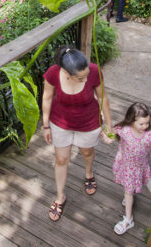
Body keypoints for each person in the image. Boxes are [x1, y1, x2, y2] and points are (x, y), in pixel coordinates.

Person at [42, 46, 113, 222]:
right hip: (60, 122)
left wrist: (109, 125)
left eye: (87, 74)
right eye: (81, 77)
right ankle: (60, 197)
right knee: (61, 159)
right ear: (67, 72)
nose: (86, 78)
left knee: (87, 152)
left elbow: (103, 97)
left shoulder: (94, 71)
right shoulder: (53, 73)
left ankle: (89, 174)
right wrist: (45, 126)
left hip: (88, 121)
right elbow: (47, 97)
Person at [111, 103, 151, 235]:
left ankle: (129, 219)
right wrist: (107, 137)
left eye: (147, 123)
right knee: (128, 188)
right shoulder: (124, 130)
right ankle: (129, 205)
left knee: (128, 191)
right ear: (131, 120)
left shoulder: (149, 135)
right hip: (126, 165)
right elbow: (112, 132)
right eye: (141, 124)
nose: (145, 126)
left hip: (138, 167)